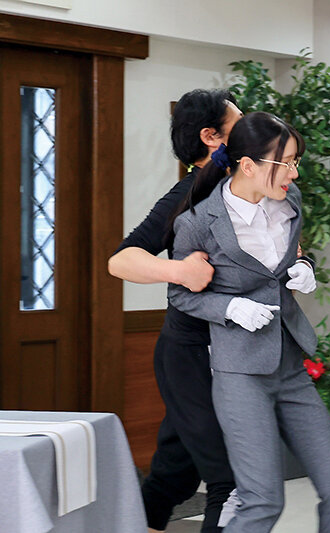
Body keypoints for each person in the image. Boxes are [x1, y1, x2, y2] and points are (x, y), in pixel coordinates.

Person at [168, 112, 330, 533]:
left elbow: (289, 259)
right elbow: (180, 294)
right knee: (263, 500)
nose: (294, 173)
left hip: (291, 367)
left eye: (295, 161)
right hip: (241, 376)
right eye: (285, 163)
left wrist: (305, 266)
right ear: (249, 165)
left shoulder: (290, 201)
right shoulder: (197, 223)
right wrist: (230, 308)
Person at [108, 89, 243, 533]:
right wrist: (179, 271)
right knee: (230, 480)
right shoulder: (187, 195)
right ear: (211, 137)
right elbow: (121, 260)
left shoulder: (247, 195)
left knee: (173, 474)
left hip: (233, 353)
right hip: (189, 356)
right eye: (238, 126)